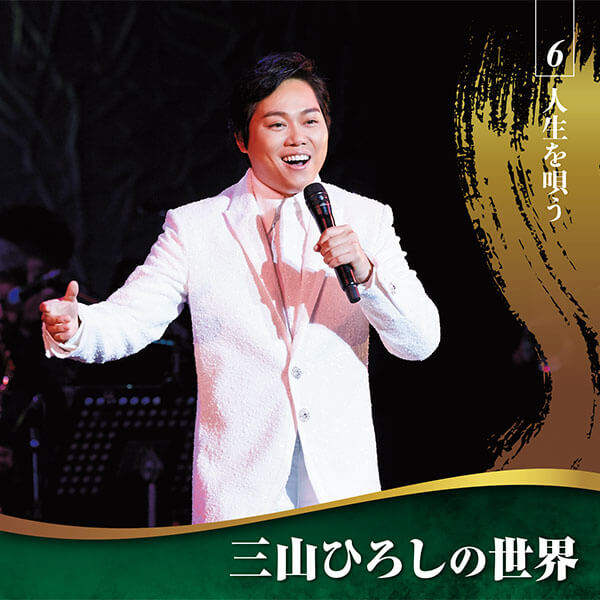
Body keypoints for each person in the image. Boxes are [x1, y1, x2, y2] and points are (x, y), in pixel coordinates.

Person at [40, 51, 440, 524]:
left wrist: (367, 273)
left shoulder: (366, 218)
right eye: (277, 124)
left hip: (339, 493)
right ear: (241, 139)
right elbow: (133, 318)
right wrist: (77, 327)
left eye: (311, 121)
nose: (298, 138)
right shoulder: (196, 227)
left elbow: (420, 341)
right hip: (241, 497)